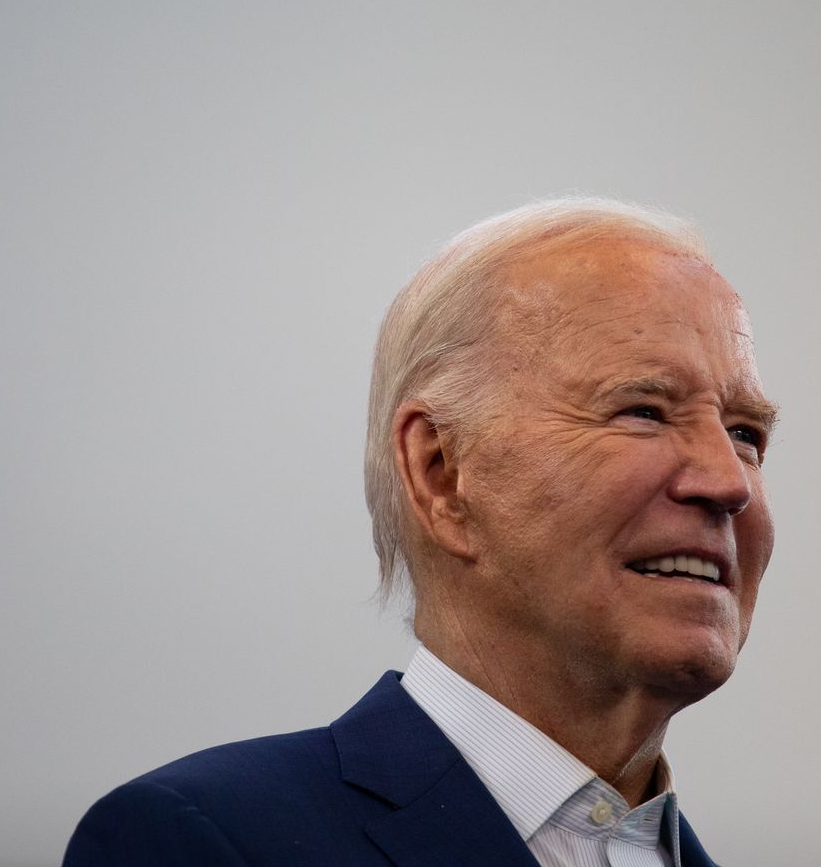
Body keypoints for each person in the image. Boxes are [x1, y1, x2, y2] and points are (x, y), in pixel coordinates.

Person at [64, 198, 778, 866]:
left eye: (746, 433)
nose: (728, 482)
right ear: (441, 472)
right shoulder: (205, 840)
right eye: (643, 411)